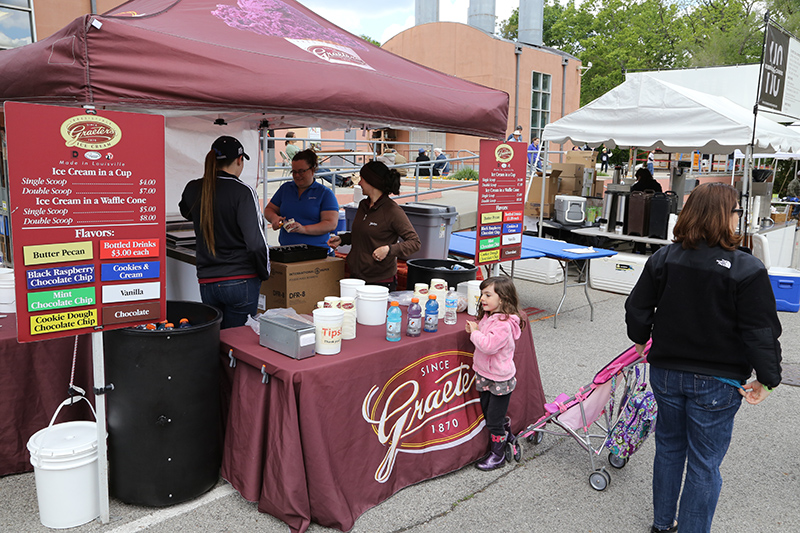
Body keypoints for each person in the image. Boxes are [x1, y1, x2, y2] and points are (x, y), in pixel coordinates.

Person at [625, 182, 782, 533]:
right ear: (725, 216)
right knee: (703, 463)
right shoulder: (746, 268)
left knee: (668, 449)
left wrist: (640, 339)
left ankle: (662, 525)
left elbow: (637, 307)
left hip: (666, 373)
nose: (738, 218)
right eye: (736, 212)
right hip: (717, 382)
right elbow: (761, 331)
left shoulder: (665, 257)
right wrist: (769, 379)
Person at [179, 135, 270, 329]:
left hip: (207, 282)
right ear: (239, 160)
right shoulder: (243, 192)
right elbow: (256, 244)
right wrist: (265, 272)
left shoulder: (193, 188)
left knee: (215, 343)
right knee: (238, 345)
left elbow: (186, 212)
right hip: (241, 280)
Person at [327, 161, 420, 290]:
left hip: (380, 282)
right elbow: (364, 233)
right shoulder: (363, 205)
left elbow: (415, 242)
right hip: (356, 278)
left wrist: (388, 249)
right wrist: (343, 239)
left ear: (372, 181)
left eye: (362, 179)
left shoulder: (392, 211)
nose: (359, 183)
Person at [465, 276, 526, 471]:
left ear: (503, 298)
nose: (482, 298)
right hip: (484, 373)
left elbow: (489, 346)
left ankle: (497, 454)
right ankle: (506, 433)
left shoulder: (503, 324)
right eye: (482, 293)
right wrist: (476, 328)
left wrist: (474, 332)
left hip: (499, 378)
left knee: (493, 418)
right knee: (487, 411)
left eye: (487, 294)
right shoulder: (489, 316)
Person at [263, 149, 339, 250]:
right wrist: (274, 218)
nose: (297, 175)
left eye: (301, 171)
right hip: (287, 250)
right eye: (294, 172)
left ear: (312, 170)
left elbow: (330, 224)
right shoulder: (285, 188)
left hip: (317, 251)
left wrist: (304, 229)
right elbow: (269, 209)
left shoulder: (325, 193)